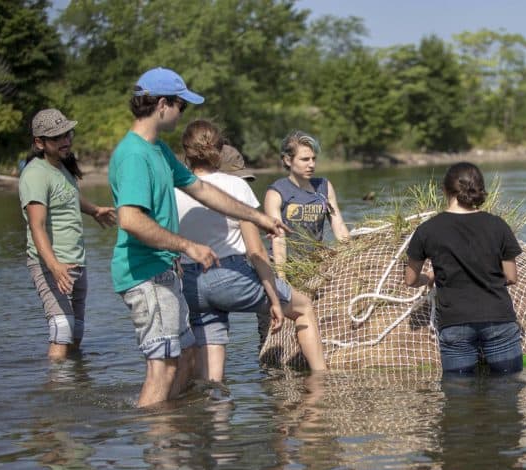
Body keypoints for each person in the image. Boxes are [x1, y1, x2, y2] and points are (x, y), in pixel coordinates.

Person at [109, 67, 288, 407]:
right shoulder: (134, 155)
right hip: (145, 275)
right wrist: (187, 245)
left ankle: (175, 427)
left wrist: (257, 216)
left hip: (164, 272)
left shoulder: (157, 150)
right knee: (162, 369)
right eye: (181, 105)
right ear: (163, 104)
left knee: (189, 358)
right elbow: (130, 220)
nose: (182, 114)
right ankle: (158, 447)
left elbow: (202, 189)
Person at [175, 120, 327, 383]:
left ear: (185, 151)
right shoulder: (236, 186)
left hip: (191, 283)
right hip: (230, 275)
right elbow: (256, 251)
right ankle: (321, 382)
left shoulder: (173, 190)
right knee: (303, 307)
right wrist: (275, 299)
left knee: (212, 377)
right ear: (220, 150)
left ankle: (213, 415)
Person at [404, 162, 524, 375]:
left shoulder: (427, 230)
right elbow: (511, 277)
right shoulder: (497, 225)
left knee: (459, 400)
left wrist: (429, 277)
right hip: (499, 319)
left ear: (444, 190)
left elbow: (411, 279)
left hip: (455, 324)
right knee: (508, 394)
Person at [19, 108, 117, 361]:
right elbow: (36, 225)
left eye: (67, 134)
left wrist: (94, 210)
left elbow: (68, 197)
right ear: (39, 143)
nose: (66, 141)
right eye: (57, 137)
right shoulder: (35, 174)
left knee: (76, 332)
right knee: (62, 329)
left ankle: (75, 386)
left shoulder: (61, 168)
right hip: (52, 264)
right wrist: (54, 266)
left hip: (76, 261)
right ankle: (57, 394)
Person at [263, 130, 350, 276]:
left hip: (316, 264)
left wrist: (351, 255)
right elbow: (279, 239)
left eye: (313, 159)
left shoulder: (324, 186)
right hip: (286, 264)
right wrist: (282, 278)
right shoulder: (276, 193)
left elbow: (339, 227)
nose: (311, 164)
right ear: (287, 160)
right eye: (305, 159)